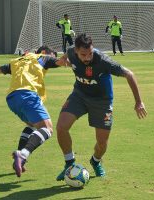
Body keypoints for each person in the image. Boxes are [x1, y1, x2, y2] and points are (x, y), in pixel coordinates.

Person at [0, 46, 64, 178]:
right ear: (44, 52)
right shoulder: (43, 58)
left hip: (12, 99)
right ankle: (23, 154)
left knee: (32, 126)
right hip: (28, 95)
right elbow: (63, 61)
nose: (53, 57)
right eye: (52, 55)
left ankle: (20, 159)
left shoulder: (16, 61)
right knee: (47, 129)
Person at [55, 33, 147, 181]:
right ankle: (69, 164)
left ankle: (96, 161)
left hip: (102, 102)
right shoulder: (72, 51)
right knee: (61, 127)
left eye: (90, 53)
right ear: (77, 51)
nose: (87, 57)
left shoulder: (103, 61)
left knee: (102, 142)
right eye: (83, 54)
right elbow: (67, 53)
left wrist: (138, 102)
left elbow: (129, 74)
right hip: (79, 95)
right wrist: (64, 59)